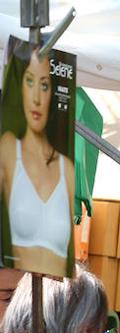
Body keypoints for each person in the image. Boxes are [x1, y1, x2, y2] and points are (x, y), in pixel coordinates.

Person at [1, 46, 75, 277]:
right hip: (14, 300)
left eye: (44, 85)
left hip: (55, 306)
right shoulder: (9, 148)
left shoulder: (67, 168)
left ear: (52, 92)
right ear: (19, 86)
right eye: (29, 81)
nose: (36, 98)